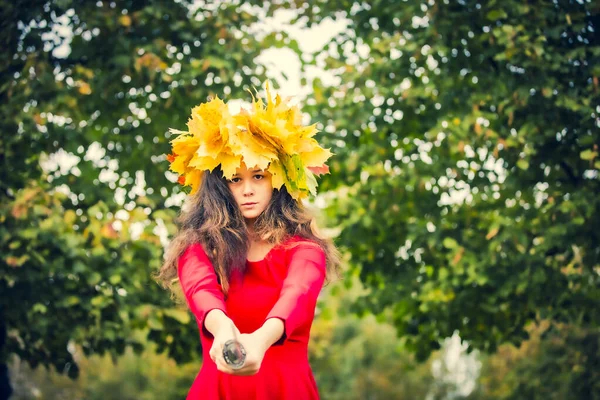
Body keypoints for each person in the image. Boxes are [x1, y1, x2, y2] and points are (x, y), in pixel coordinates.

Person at [156, 83, 341, 400]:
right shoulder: (197, 250)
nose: (248, 189)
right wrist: (224, 331)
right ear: (218, 187)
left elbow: (297, 294)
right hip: (217, 390)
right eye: (235, 179)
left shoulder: (306, 252)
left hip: (287, 391)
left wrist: (261, 340)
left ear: (278, 180)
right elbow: (202, 293)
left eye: (258, 176)